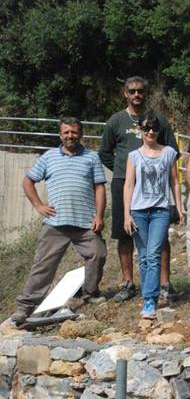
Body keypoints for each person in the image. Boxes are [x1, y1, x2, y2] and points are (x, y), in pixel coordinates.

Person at [10, 117, 107, 325]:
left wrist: (99, 215)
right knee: (43, 266)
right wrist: (39, 205)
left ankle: (90, 293)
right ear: (60, 135)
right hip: (56, 223)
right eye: (66, 133)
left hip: (85, 222)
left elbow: (99, 187)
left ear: (80, 134)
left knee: (98, 254)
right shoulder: (49, 157)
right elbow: (28, 181)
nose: (70, 136)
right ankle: (25, 307)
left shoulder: (91, 158)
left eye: (74, 132)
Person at [99, 76, 179, 303]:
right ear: (125, 93)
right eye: (132, 91)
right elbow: (105, 151)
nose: (136, 95)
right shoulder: (116, 121)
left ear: (146, 93)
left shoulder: (157, 119)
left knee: (159, 236)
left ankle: (164, 284)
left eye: (140, 91)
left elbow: (172, 149)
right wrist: (124, 169)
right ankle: (128, 283)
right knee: (125, 232)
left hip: (154, 187)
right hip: (124, 183)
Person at [123, 114, 184, 319]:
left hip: (160, 210)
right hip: (138, 211)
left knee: (154, 253)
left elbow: (175, 181)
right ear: (140, 130)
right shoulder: (133, 156)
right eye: (146, 128)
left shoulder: (169, 153)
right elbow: (129, 184)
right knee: (143, 257)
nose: (150, 132)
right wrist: (126, 214)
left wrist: (179, 207)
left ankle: (150, 299)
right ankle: (148, 295)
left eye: (154, 128)